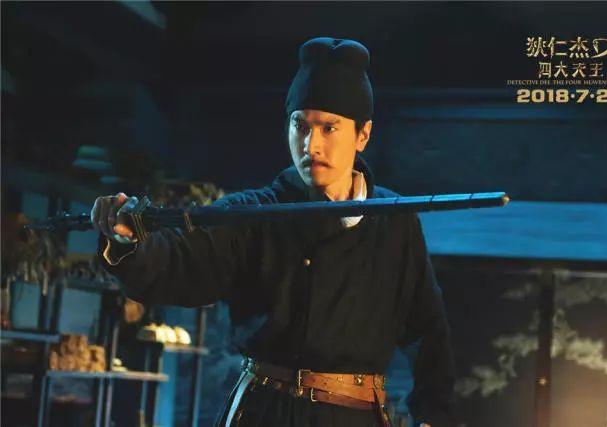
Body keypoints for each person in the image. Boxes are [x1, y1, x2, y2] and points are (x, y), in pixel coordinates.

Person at [92, 37, 456, 427]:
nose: (312, 145)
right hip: (265, 410)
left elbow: (428, 328)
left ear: (362, 135)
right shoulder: (254, 212)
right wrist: (129, 239)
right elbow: (182, 261)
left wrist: (432, 417)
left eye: (329, 128)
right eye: (301, 126)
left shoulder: (395, 220)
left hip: (355, 416)